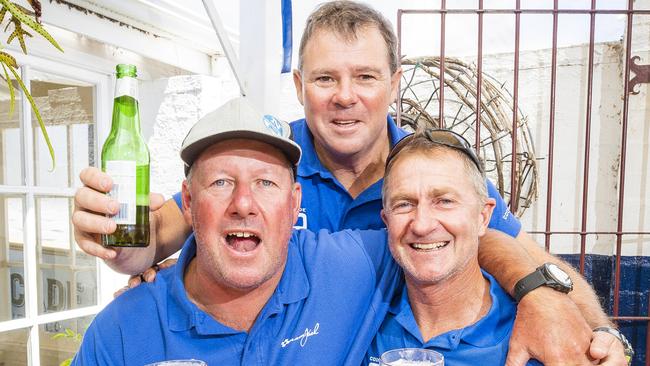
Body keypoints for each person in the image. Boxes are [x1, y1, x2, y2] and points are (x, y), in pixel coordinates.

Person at [72, 1, 628, 364]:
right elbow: (163, 228)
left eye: (364, 76)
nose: (345, 95)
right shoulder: (267, 161)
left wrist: (566, 313)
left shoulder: (426, 172)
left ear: (394, 82)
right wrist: (123, 244)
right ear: (298, 86)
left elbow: (504, 246)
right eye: (324, 78)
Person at [71, 98, 401, 365]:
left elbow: (437, 234)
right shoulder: (122, 330)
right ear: (188, 202)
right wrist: (123, 240)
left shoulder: (351, 267)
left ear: (293, 202)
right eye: (221, 182)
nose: (243, 204)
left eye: (265, 182)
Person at [364, 129, 543, 365]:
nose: (422, 225)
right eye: (404, 204)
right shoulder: (363, 323)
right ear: (386, 221)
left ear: (483, 217)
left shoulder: (533, 338)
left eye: (445, 201)